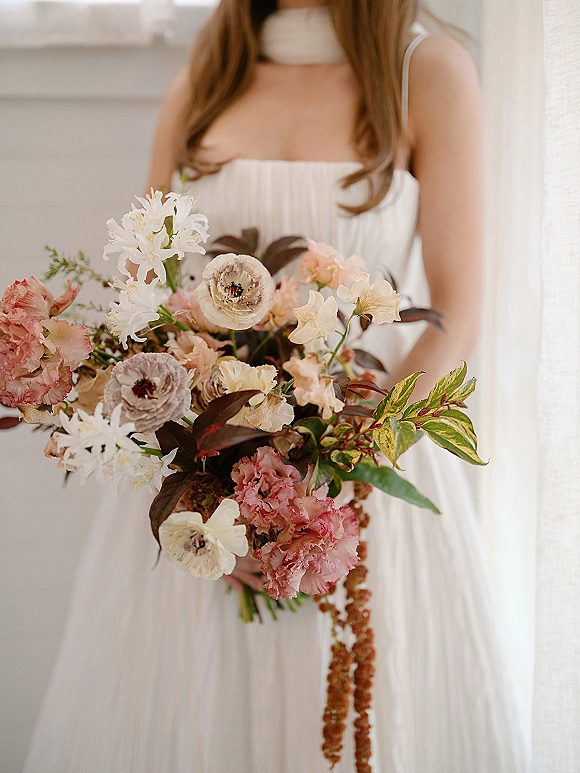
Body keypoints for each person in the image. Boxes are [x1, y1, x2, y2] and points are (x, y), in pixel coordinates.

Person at [23, 1, 527, 771]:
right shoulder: (205, 78)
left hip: (361, 477)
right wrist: (210, 490)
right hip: (199, 480)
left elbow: (455, 316)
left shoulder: (427, 71)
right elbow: (143, 308)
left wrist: (328, 472)